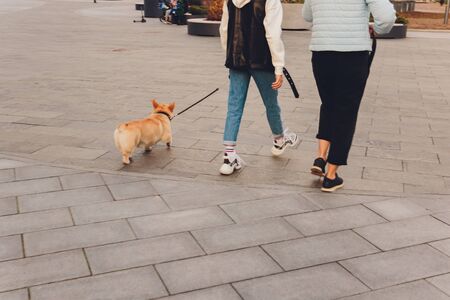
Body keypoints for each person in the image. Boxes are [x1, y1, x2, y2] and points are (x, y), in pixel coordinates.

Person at [303, 0, 396, 192]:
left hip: (321, 53)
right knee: (346, 111)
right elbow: (386, 18)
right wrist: (377, 28)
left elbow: (307, 15)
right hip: (353, 54)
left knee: (328, 104)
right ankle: (331, 175)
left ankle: (320, 157)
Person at [218, 0, 298, 175]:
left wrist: (230, 58)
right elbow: (273, 33)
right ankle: (279, 139)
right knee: (271, 103)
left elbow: (224, 30)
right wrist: (278, 66)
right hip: (261, 60)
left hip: (236, 59)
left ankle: (229, 156)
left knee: (234, 106)